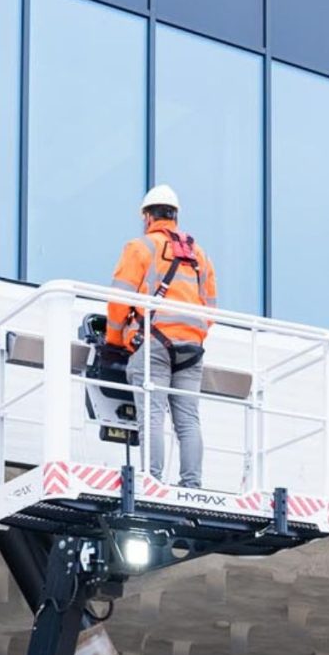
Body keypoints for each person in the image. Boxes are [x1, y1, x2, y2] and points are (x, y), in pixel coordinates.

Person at [106, 185, 217, 490]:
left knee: (152, 414)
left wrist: (115, 341)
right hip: (192, 348)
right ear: (175, 216)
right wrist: (192, 332)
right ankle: (192, 485)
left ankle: (152, 481)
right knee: (188, 420)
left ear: (146, 216)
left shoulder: (140, 247)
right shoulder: (201, 256)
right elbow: (211, 308)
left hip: (155, 341)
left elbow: (118, 301)